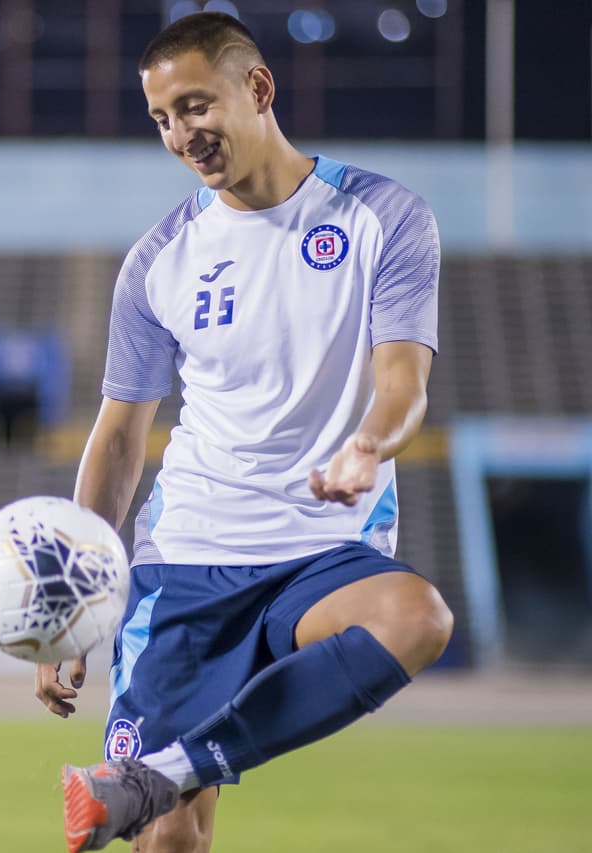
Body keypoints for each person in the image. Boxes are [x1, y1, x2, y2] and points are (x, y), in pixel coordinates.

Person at [35, 12, 454, 853]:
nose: (181, 133)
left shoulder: (383, 217)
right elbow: (120, 434)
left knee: (417, 617)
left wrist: (368, 444)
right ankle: (166, 784)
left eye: (195, 105)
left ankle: (167, 769)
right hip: (186, 557)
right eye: (161, 118)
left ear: (257, 89)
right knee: (170, 840)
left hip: (320, 547)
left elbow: (403, 382)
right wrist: (72, 608)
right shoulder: (161, 259)